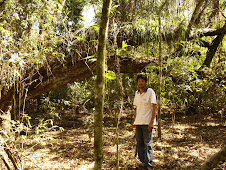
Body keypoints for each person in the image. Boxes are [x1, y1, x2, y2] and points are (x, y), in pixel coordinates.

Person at [132, 74, 157, 169]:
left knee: (148, 144)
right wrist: (134, 121)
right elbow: (136, 108)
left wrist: (152, 122)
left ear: (145, 82)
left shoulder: (150, 92)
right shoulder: (137, 93)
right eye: (139, 81)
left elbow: (155, 107)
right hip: (138, 122)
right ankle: (143, 162)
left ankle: (149, 164)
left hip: (147, 123)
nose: (140, 83)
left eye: (142, 81)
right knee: (140, 143)